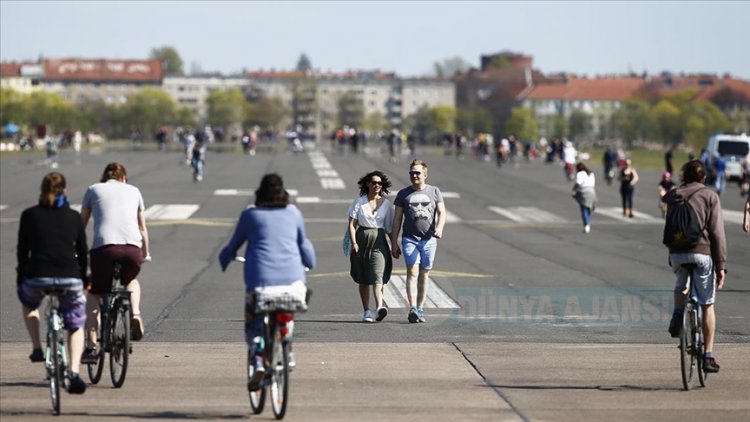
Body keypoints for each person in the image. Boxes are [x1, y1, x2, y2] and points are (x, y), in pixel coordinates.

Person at [219, 174, 315, 390]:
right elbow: (304, 245)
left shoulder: (251, 215)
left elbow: (234, 244)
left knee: (254, 322)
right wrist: (310, 262)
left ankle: (259, 360)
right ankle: (287, 347)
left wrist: (225, 259)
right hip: (293, 281)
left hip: (260, 282)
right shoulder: (294, 213)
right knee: (286, 309)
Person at [16, 172, 88, 394]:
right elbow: (82, 252)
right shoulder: (74, 217)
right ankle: (74, 372)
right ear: (64, 190)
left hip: (37, 275)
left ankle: (37, 348)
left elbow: (22, 250)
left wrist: (22, 275)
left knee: (29, 304)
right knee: (76, 324)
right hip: (70, 276)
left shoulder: (29, 215)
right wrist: (84, 278)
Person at [80, 163, 150, 363]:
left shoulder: (93, 189)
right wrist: (145, 253)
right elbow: (142, 228)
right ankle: (135, 312)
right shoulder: (134, 191)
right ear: (124, 178)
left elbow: (81, 226)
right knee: (131, 279)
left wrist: (76, 251)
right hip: (132, 248)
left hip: (104, 249)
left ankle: (92, 347)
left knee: (95, 292)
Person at [664, 160, 727, 373]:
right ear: (703, 178)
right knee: (707, 303)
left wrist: (672, 254)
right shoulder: (710, 196)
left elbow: (670, 225)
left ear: (684, 177)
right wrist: (721, 265)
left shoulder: (673, 196)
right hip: (702, 253)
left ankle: (677, 313)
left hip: (677, 253)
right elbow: (717, 233)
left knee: (681, 282)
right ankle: (708, 356)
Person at [390, 160, 446, 323]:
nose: (414, 175)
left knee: (424, 274)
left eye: (417, 173)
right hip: (410, 239)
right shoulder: (403, 194)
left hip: (429, 240)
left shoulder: (434, 191)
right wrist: (394, 242)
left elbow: (442, 212)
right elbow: (397, 219)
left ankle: (420, 308)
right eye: (412, 173)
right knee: (412, 272)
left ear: (425, 175)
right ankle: (412, 307)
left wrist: (440, 227)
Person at [347, 171, 394, 322]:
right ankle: (367, 311)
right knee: (363, 277)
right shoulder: (359, 202)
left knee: (377, 275)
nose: (377, 186)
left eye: (380, 183)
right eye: (374, 183)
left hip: (379, 241)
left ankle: (379, 307)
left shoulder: (386, 204)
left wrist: (394, 245)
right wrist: (354, 243)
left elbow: (389, 228)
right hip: (362, 239)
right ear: (368, 184)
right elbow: (352, 224)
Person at [572, 162, 596, 234]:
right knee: (589, 208)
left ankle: (586, 224)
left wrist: (574, 190)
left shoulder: (580, 174)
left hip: (584, 191)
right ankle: (588, 222)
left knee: (584, 209)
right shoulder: (591, 174)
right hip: (592, 191)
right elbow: (593, 183)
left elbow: (578, 183)